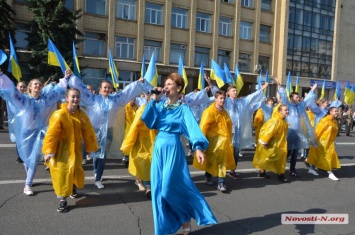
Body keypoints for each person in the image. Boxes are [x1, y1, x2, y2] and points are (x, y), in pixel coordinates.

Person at [141, 73, 217, 235]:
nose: (166, 87)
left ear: (179, 88)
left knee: (168, 188)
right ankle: (166, 227)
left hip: (173, 148)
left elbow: (192, 128)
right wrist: (154, 99)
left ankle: (184, 217)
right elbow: (147, 120)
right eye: (165, 84)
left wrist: (198, 148)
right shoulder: (160, 106)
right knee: (159, 191)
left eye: (169, 84)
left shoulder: (183, 109)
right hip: (159, 149)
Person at [68, 73, 152, 189]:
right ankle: (96, 171)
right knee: (95, 155)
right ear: (100, 89)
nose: (107, 89)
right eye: (104, 87)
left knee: (103, 156)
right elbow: (82, 89)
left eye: (108, 87)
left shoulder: (115, 99)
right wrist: (72, 77)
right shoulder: (93, 99)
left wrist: (138, 83)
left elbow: (127, 92)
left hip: (108, 132)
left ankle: (98, 178)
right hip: (95, 132)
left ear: (111, 89)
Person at [0, 69, 68, 195]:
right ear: (29, 87)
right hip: (26, 133)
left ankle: (28, 185)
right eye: (35, 84)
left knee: (34, 159)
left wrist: (65, 78)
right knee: (27, 159)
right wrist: (1, 76)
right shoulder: (23, 100)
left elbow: (57, 91)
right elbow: (11, 91)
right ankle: (29, 177)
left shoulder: (45, 99)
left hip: (41, 133)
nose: (38, 85)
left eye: (40, 84)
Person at [42, 88, 98, 212]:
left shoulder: (81, 114)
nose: (75, 99)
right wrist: (49, 151)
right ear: (67, 98)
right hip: (61, 151)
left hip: (76, 150)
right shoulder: (59, 115)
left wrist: (90, 147)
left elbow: (88, 131)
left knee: (74, 171)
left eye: (78, 97)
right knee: (62, 174)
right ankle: (63, 200)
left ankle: (72, 188)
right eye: (73, 97)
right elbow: (51, 134)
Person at [224, 83, 269, 180]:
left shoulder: (241, 102)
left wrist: (261, 90)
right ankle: (221, 170)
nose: (235, 92)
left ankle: (232, 170)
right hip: (227, 130)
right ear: (228, 93)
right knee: (225, 150)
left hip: (238, 130)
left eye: (236, 91)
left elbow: (251, 97)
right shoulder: (225, 101)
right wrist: (211, 86)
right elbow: (215, 98)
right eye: (233, 91)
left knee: (236, 151)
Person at [193, 90, 234, 192]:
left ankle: (221, 181)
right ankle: (208, 175)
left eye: (224, 98)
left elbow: (229, 126)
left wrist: (229, 139)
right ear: (215, 99)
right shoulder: (209, 112)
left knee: (221, 160)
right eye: (220, 98)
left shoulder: (224, 112)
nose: (223, 100)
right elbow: (203, 127)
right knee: (211, 159)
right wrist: (201, 141)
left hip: (223, 142)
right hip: (211, 140)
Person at [276, 78, 317, 178]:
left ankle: (292, 170)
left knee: (295, 153)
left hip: (298, 133)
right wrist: (279, 86)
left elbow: (307, 100)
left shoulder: (300, 106)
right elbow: (283, 96)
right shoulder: (288, 105)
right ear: (291, 98)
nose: (298, 98)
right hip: (289, 132)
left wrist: (312, 90)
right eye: (296, 97)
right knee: (287, 152)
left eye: (298, 97)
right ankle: (279, 169)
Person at [120, 94, 158, 197]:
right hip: (141, 142)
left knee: (153, 164)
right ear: (148, 99)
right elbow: (134, 128)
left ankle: (151, 185)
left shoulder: (161, 110)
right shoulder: (142, 110)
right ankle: (147, 186)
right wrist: (128, 144)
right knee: (143, 163)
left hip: (155, 142)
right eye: (153, 99)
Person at [252, 104, 289, 182]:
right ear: (280, 111)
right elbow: (269, 132)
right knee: (268, 157)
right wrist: (264, 142)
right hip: (275, 144)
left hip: (280, 144)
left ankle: (280, 174)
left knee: (279, 159)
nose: (287, 111)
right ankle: (264, 171)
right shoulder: (276, 121)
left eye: (287, 110)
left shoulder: (282, 121)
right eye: (285, 110)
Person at [306, 107, 341, 180]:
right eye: (335, 111)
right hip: (322, 142)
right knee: (326, 156)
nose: (337, 112)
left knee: (318, 155)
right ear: (330, 112)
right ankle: (330, 172)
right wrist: (314, 140)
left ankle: (311, 169)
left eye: (337, 111)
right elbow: (318, 131)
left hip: (329, 142)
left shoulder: (334, 121)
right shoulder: (325, 121)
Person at [121, 99, 139, 168]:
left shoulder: (136, 107)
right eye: (131, 99)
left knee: (133, 143)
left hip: (134, 128)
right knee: (127, 142)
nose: (132, 101)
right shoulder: (126, 107)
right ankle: (126, 156)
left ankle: (131, 157)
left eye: (134, 99)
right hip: (127, 128)